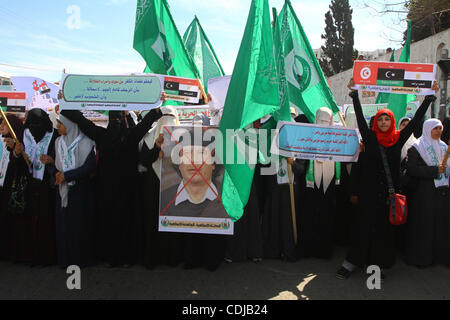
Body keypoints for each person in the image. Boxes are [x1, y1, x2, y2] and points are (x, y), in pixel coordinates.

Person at [336, 79, 439, 280]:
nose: (383, 123)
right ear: (376, 123)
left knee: (383, 231)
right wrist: (355, 95)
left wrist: (428, 99)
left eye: (387, 120)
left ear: (392, 122)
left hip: (388, 195)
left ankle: (376, 265)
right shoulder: (370, 138)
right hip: (367, 193)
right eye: (380, 120)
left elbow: (416, 121)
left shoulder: (398, 139)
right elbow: (358, 117)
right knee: (362, 228)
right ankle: (351, 262)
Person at [60, 102, 163, 267]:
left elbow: (81, 121)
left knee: (110, 220)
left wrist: (65, 103)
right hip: (129, 188)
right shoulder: (131, 135)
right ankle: (128, 257)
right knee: (128, 221)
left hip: (107, 189)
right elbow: (146, 123)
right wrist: (156, 107)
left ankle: (112, 256)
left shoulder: (101, 134)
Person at [139, 105, 184, 269]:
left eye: (171, 117)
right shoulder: (149, 137)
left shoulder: (184, 136)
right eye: (165, 117)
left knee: (173, 221)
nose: (168, 121)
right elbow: (143, 160)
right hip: (152, 184)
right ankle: (153, 257)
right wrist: (156, 148)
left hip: (173, 184)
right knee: (152, 220)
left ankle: (172, 257)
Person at [54, 115, 97, 268]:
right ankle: (65, 260)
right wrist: (58, 174)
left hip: (80, 191)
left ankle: (80, 260)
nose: (58, 127)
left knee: (79, 227)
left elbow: (89, 167)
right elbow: (57, 165)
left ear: (70, 124)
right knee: (64, 227)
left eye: (60, 124)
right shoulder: (58, 142)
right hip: (63, 191)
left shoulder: (86, 143)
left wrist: (68, 175)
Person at [297, 107, 340, 260]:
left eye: (326, 121)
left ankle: (324, 250)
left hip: (329, 185)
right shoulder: (308, 140)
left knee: (326, 216)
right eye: (321, 120)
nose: (323, 124)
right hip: (310, 184)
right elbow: (301, 162)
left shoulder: (337, 140)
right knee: (309, 216)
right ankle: (307, 249)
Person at [406, 119, 450, 267]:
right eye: (435, 128)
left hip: (441, 193)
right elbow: (412, 169)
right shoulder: (417, 147)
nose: (438, 131)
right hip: (424, 193)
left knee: (440, 225)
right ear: (427, 129)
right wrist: (433, 171)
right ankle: (422, 258)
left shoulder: (444, 147)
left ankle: (439, 257)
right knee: (425, 225)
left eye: (440, 128)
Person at [22, 108, 59, 266]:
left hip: (47, 186)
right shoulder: (24, 134)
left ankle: (46, 255)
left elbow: (61, 157)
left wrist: (52, 160)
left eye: (38, 124)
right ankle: (29, 254)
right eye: (32, 124)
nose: (34, 127)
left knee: (46, 220)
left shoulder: (54, 135)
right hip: (29, 184)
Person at [0, 115, 28, 261]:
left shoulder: (20, 143)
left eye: (4, 124)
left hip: (10, 188)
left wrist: (16, 152)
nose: (1, 127)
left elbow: (22, 166)